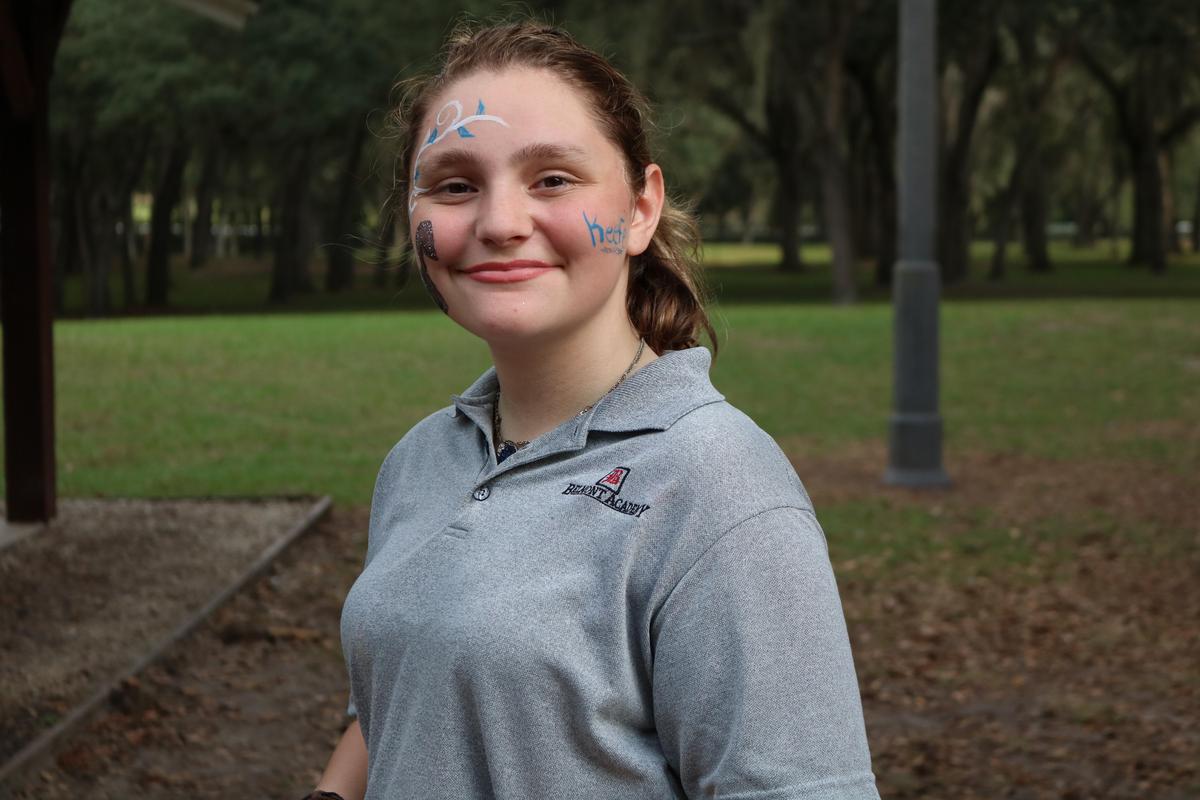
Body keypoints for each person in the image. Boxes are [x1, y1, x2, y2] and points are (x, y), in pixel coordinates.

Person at [306, 19, 880, 800]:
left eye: (552, 179)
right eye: (455, 185)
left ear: (641, 208)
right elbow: (403, 700)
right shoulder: (419, 459)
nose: (500, 222)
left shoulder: (719, 487)